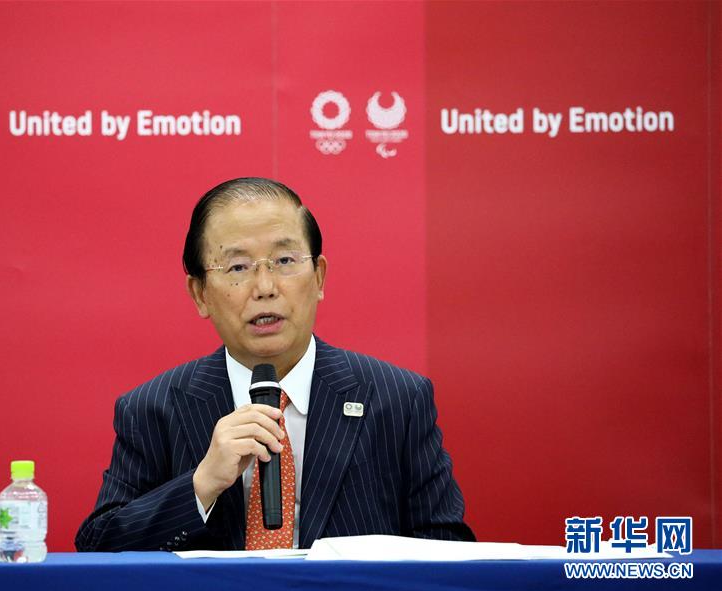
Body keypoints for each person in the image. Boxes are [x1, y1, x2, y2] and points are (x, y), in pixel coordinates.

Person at [75, 177, 474, 552]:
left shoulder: (398, 400)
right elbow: (98, 547)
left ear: (318, 277)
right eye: (237, 267)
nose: (265, 288)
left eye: (284, 260)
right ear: (200, 294)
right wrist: (201, 485)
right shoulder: (152, 409)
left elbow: (448, 549)